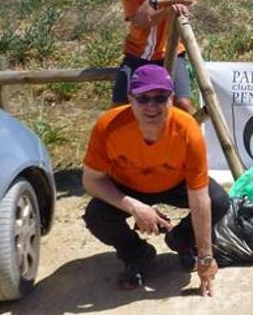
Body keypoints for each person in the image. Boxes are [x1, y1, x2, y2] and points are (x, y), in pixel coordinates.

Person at [82, 64, 230, 295]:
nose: (151, 106)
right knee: (96, 215)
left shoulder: (187, 130)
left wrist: (206, 256)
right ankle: (137, 253)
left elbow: (199, 197)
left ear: (171, 98)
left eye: (160, 98)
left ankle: (180, 239)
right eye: (143, 98)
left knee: (219, 200)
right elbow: (91, 180)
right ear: (130, 98)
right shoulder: (107, 127)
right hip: (128, 185)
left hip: (174, 183)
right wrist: (134, 207)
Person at [112, 0, 196, 115]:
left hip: (171, 52)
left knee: (183, 104)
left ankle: (195, 139)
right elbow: (141, 22)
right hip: (136, 54)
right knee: (119, 107)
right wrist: (168, 11)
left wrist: (155, 1)